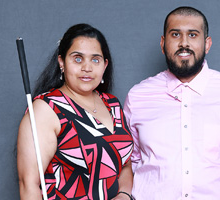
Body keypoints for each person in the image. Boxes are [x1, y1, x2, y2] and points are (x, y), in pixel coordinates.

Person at [123, 6, 220, 199]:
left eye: (193, 35)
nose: (184, 43)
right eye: (175, 34)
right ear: (163, 43)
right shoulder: (138, 96)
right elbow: (129, 160)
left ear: (207, 44)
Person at [17, 23, 134, 200]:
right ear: (62, 62)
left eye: (95, 59)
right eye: (78, 58)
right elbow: (28, 184)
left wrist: (124, 195)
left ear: (105, 65)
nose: (87, 67)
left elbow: (124, 163)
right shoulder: (46, 109)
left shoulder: (113, 105)